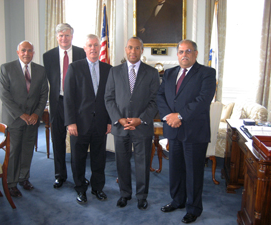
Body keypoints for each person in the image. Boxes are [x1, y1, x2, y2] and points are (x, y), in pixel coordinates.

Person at [156, 39, 216, 224]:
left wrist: (179, 116)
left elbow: (203, 100)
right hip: (173, 130)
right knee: (175, 169)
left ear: (195, 54)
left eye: (188, 51)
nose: (184, 55)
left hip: (194, 132)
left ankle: (193, 208)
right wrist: (168, 116)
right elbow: (160, 95)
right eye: (181, 51)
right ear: (177, 54)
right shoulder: (170, 73)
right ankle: (177, 201)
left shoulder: (207, 73)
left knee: (193, 172)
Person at [105, 37, 160, 210]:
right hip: (120, 126)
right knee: (121, 162)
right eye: (130, 48)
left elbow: (155, 101)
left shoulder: (151, 73)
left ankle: (142, 196)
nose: (133, 51)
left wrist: (141, 119)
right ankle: (124, 194)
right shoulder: (114, 71)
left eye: (137, 48)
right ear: (125, 49)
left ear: (142, 50)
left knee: (142, 164)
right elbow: (109, 98)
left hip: (141, 127)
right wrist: (119, 119)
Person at [64, 34, 112, 204]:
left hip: (100, 124)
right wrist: (70, 122)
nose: (93, 48)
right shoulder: (75, 68)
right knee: (78, 159)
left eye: (96, 45)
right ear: (84, 48)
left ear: (100, 48)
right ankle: (80, 189)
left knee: (99, 158)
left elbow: (109, 98)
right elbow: (68, 98)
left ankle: (98, 188)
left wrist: (108, 121)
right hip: (79, 124)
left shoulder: (108, 69)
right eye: (89, 45)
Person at [0, 41, 48, 197]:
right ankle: (11, 183)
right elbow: (4, 96)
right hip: (14, 119)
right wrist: (21, 114)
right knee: (13, 152)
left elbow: (43, 94)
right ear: (18, 52)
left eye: (30, 51)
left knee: (27, 150)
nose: (27, 53)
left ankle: (23, 178)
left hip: (32, 120)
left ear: (33, 53)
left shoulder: (40, 70)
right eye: (23, 50)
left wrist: (36, 114)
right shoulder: (7, 68)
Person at [43, 23, 86, 189]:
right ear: (56, 37)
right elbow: (51, 82)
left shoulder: (81, 53)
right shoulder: (48, 56)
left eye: (67, 35)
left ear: (72, 36)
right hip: (57, 103)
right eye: (60, 35)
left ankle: (78, 177)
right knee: (58, 140)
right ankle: (60, 175)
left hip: (77, 103)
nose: (64, 38)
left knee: (77, 141)